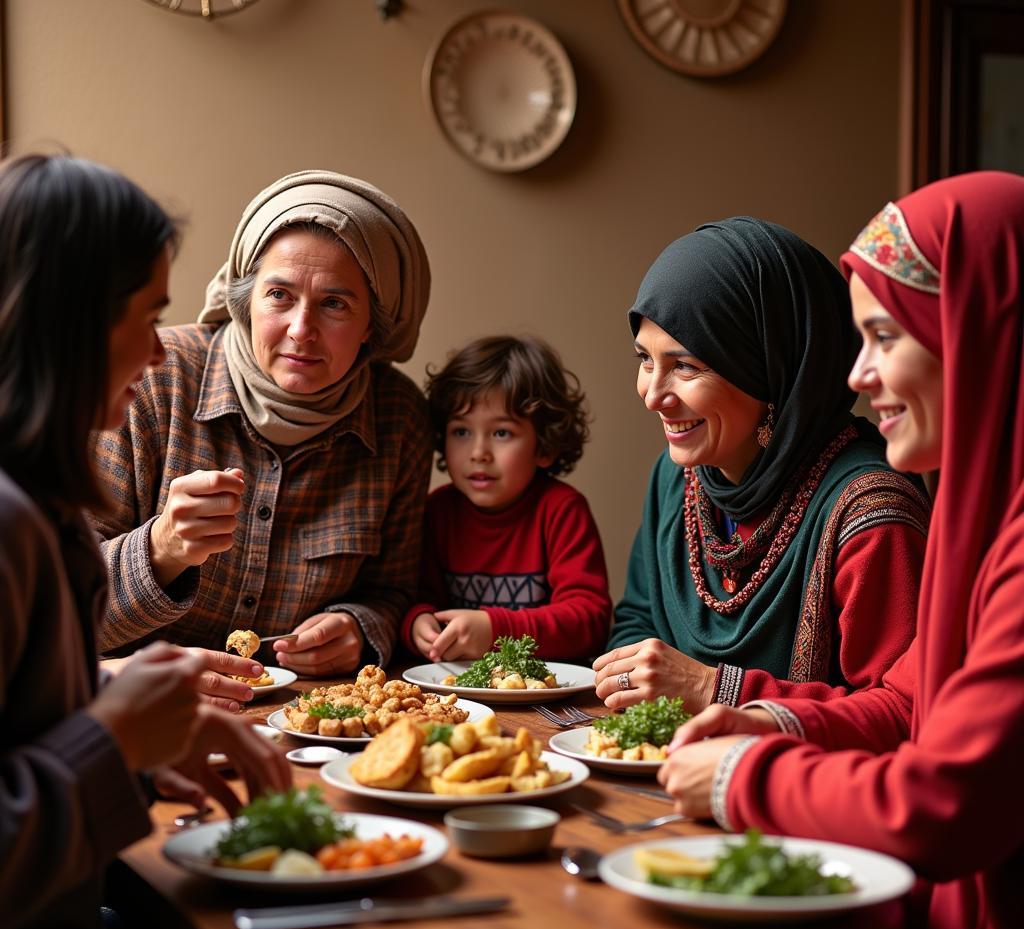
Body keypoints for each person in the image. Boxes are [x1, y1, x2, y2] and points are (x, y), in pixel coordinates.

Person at [661, 172, 1024, 929]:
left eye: (885, 336)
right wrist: (771, 717)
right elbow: (907, 701)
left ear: (976, 335)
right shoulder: (986, 511)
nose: (858, 376)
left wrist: (743, 776)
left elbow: (944, 806)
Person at [0, 154, 291, 929]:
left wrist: (120, 712)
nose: (164, 346)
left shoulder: (40, 507)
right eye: (148, 315)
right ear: (72, 324)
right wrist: (110, 740)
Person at [90, 170, 432, 681]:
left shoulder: (399, 417)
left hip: (312, 720)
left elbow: (393, 590)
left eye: (334, 303)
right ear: (244, 299)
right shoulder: (152, 380)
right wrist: (161, 547)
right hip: (148, 712)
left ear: (372, 326)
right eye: (279, 295)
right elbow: (55, 613)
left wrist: (359, 627)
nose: (301, 330)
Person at [594, 218, 930, 713]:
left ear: (770, 372)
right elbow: (636, 623)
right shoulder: (677, 477)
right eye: (645, 359)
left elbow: (901, 712)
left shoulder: (871, 513)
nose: (653, 395)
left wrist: (713, 690)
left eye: (685, 366)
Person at [402, 334, 612, 663]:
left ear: (543, 446)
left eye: (501, 433)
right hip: (453, 689)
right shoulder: (437, 511)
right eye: (461, 431)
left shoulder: (561, 510)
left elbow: (589, 620)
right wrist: (417, 621)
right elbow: (416, 597)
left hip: (544, 692)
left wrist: (497, 631)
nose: (478, 453)